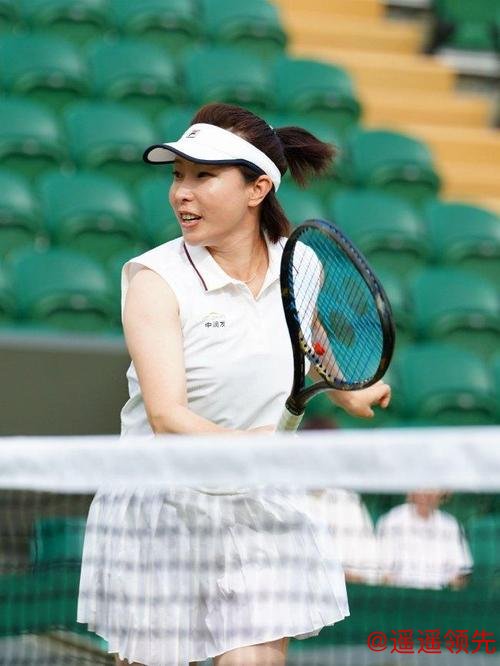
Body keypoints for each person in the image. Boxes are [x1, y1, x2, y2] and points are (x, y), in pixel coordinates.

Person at [77, 102, 392, 666]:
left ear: (257, 188)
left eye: (203, 176)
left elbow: (308, 338)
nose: (182, 193)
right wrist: (249, 445)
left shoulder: (299, 265)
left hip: (257, 503)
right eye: (178, 175)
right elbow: (167, 416)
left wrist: (347, 388)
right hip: (164, 506)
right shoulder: (156, 281)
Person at [376, 490, 473, 590]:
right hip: (400, 593)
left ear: (443, 494)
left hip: (440, 595)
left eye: (433, 489)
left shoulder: (452, 525)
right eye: (421, 487)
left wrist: (451, 587)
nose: (427, 494)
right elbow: (383, 574)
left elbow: (462, 573)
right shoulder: (390, 521)